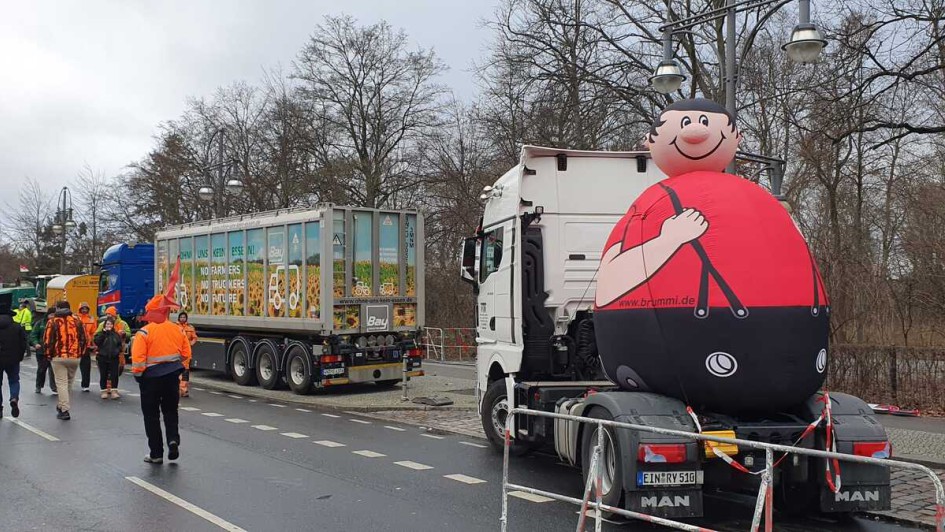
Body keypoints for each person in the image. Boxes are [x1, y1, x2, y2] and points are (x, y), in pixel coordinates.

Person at [132, 295, 191, 464]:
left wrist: (139, 377)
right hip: (172, 375)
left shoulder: (144, 332)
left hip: (150, 379)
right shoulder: (178, 329)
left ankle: (156, 453)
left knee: (151, 416)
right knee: (171, 411)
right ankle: (173, 440)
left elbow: (138, 361)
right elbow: (186, 354)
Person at [44, 301, 88, 420]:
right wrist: (80, 354)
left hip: (58, 356)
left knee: (61, 383)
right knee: (68, 383)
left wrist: (48, 355)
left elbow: (48, 340)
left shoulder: (52, 322)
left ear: (57, 308)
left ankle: (64, 409)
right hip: (74, 357)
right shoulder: (77, 321)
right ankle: (61, 405)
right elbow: (84, 339)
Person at [0, 303, 28, 418]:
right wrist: (19, 357)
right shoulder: (17, 327)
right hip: (13, 359)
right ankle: (14, 398)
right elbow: (23, 344)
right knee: (14, 380)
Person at [94, 316, 124, 399]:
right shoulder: (100, 334)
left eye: (110, 324)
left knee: (115, 375)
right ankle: (104, 391)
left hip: (114, 358)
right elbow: (97, 342)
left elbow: (119, 344)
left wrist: (117, 351)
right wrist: (104, 333)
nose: (109, 325)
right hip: (102, 357)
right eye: (107, 324)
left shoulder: (116, 334)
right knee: (103, 375)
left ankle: (114, 391)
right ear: (104, 325)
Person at [30, 308, 57, 395]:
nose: (52, 316)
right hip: (42, 351)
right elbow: (33, 335)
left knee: (53, 370)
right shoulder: (40, 323)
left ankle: (54, 387)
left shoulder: (58, 323)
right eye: (51, 314)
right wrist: (36, 344)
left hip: (54, 351)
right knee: (42, 369)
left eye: (54, 314)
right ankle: (39, 386)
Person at [77, 302, 97, 392]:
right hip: (76, 345)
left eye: (86, 308)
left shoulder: (91, 319)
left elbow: (94, 333)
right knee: (71, 366)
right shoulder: (76, 318)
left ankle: (85, 385)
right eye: (83, 308)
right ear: (80, 309)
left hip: (87, 345)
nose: (84, 310)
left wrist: (94, 344)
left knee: (86, 366)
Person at [176, 312, 197, 397]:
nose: (183, 318)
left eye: (184, 317)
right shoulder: (175, 327)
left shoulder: (190, 328)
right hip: (177, 353)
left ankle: (184, 390)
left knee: (185, 373)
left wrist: (190, 344)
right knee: (177, 372)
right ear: (179, 318)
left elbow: (194, 338)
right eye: (181, 317)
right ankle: (178, 389)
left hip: (187, 354)